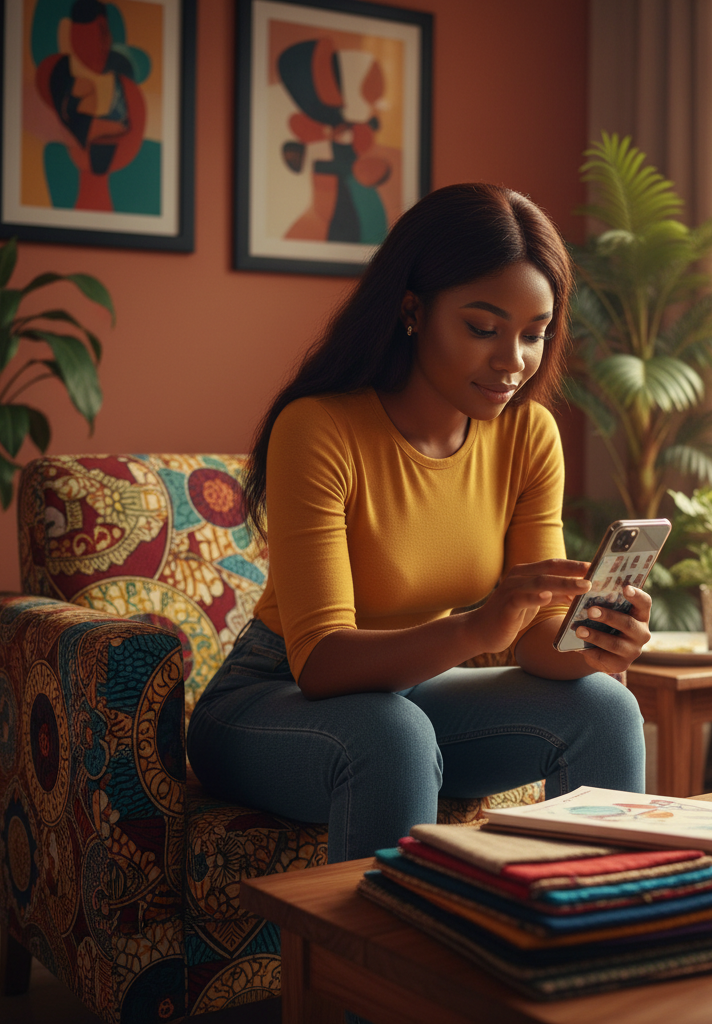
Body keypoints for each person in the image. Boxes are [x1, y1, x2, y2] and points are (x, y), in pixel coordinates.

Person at [186, 183, 650, 865]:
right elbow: (319, 665)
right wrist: (475, 626)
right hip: (269, 699)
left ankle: (609, 932)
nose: (512, 360)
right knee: (392, 733)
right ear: (412, 310)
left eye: (533, 334)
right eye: (483, 328)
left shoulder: (529, 435)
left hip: (407, 698)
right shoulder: (319, 428)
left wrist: (599, 641)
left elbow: (537, 644)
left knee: (603, 708)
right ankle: (379, 972)